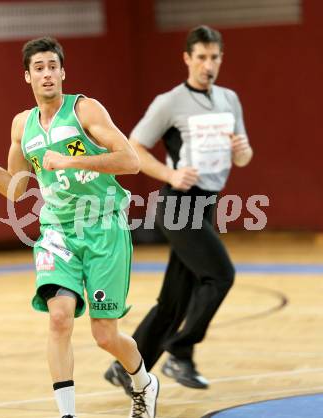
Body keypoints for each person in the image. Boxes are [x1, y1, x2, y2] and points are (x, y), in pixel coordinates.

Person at [0, 37, 159, 418]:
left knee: (104, 335)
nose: (47, 74)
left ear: (63, 72)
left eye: (52, 67)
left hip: (103, 224)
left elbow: (130, 161)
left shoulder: (85, 110)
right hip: (58, 229)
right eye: (38, 68)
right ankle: (67, 414)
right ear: (27, 76)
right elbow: (15, 186)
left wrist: (70, 163)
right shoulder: (22, 125)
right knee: (59, 318)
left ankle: (143, 382)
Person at [104, 25, 253, 392]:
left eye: (214, 57)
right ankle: (181, 353)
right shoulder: (169, 102)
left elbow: (246, 156)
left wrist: (241, 150)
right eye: (201, 57)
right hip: (177, 205)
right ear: (187, 58)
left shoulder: (229, 100)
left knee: (174, 301)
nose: (208, 64)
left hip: (206, 204)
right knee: (220, 275)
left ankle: (125, 367)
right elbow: (133, 148)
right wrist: (169, 173)